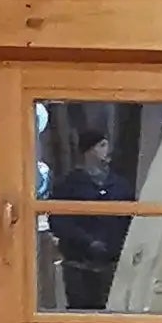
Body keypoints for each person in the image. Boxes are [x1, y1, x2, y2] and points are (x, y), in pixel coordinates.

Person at [47, 124, 133, 310]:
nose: (106, 150)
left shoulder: (119, 184)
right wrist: (87, 241)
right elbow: (59, 221)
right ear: (89, 150)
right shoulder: (69, 185)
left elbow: (129, 218)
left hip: (113, 264)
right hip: (79, 264)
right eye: (101, 145)